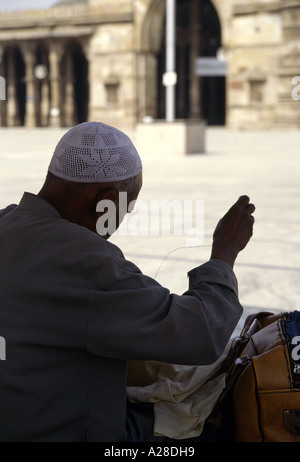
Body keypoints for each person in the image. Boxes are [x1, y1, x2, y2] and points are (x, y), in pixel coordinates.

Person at [0, 122, 255, 442]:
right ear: (104, 202)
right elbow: (200, 333)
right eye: (127, 206)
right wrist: (224, 253)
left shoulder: (6, 222)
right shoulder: (87, 263)